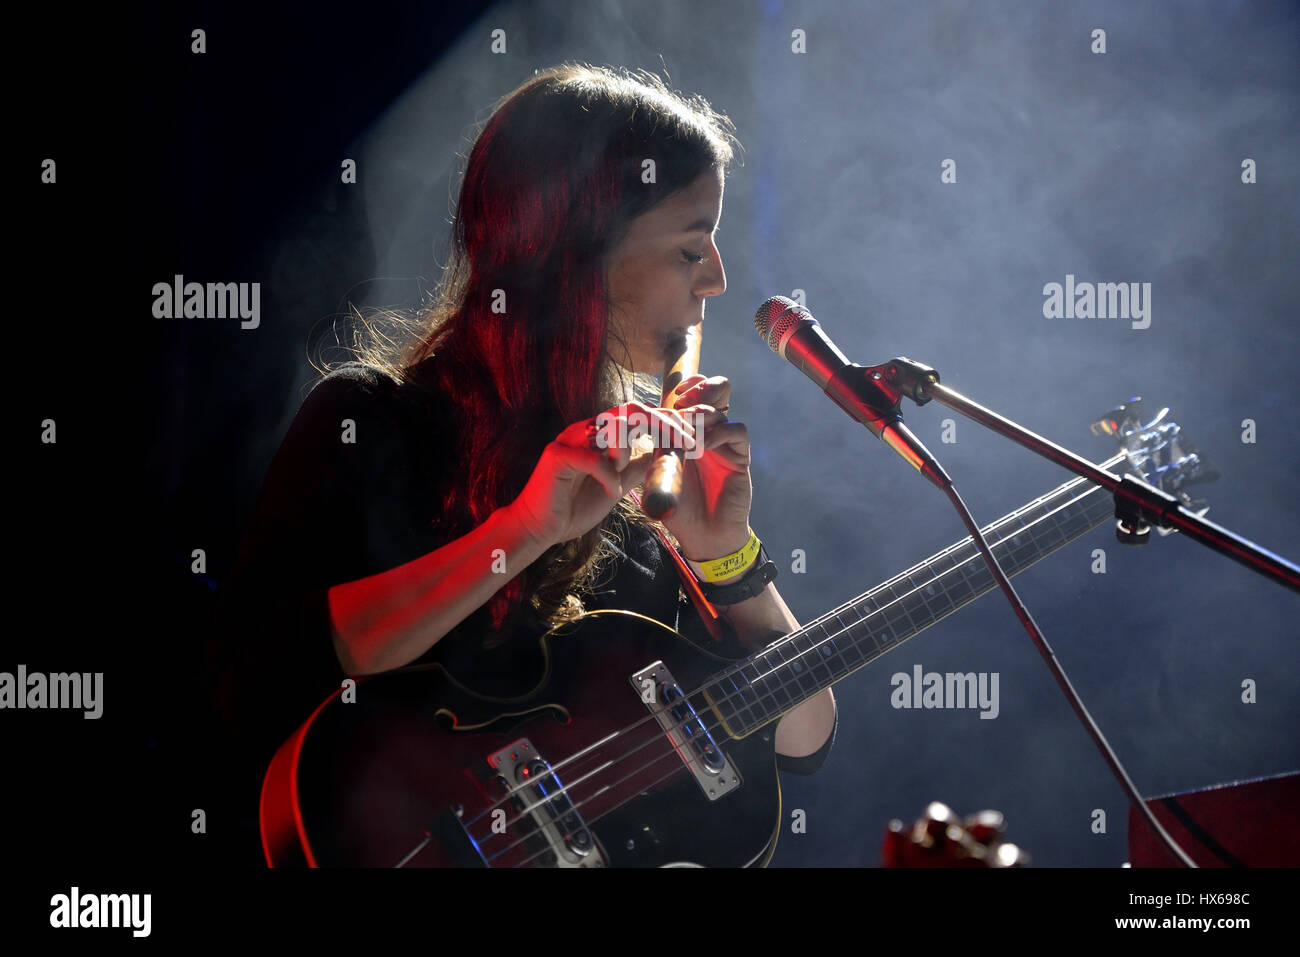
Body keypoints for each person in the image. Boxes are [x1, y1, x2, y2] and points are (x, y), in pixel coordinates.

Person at [210, 62, 836, 864]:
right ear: (575, 254)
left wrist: (729, 557)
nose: (716, 278)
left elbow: (801, 736)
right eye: (689, 247)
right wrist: (524, 529)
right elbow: (258, 678)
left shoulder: (642, 488)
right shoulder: (368, 422)